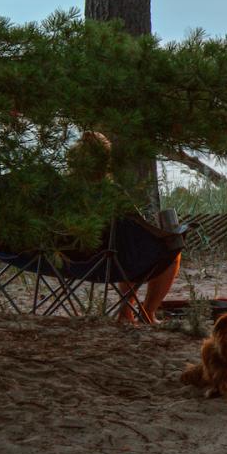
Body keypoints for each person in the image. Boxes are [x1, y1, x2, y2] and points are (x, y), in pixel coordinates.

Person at [69, 132, 182, 325]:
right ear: (106, 162)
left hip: (64, 260)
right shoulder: (112, 193)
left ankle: (127, 313)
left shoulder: (61, 193)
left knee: (126, 244)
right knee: (169, 250)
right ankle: (145, 313)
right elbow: (141, 229)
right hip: (105, 263)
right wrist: (170, 235)